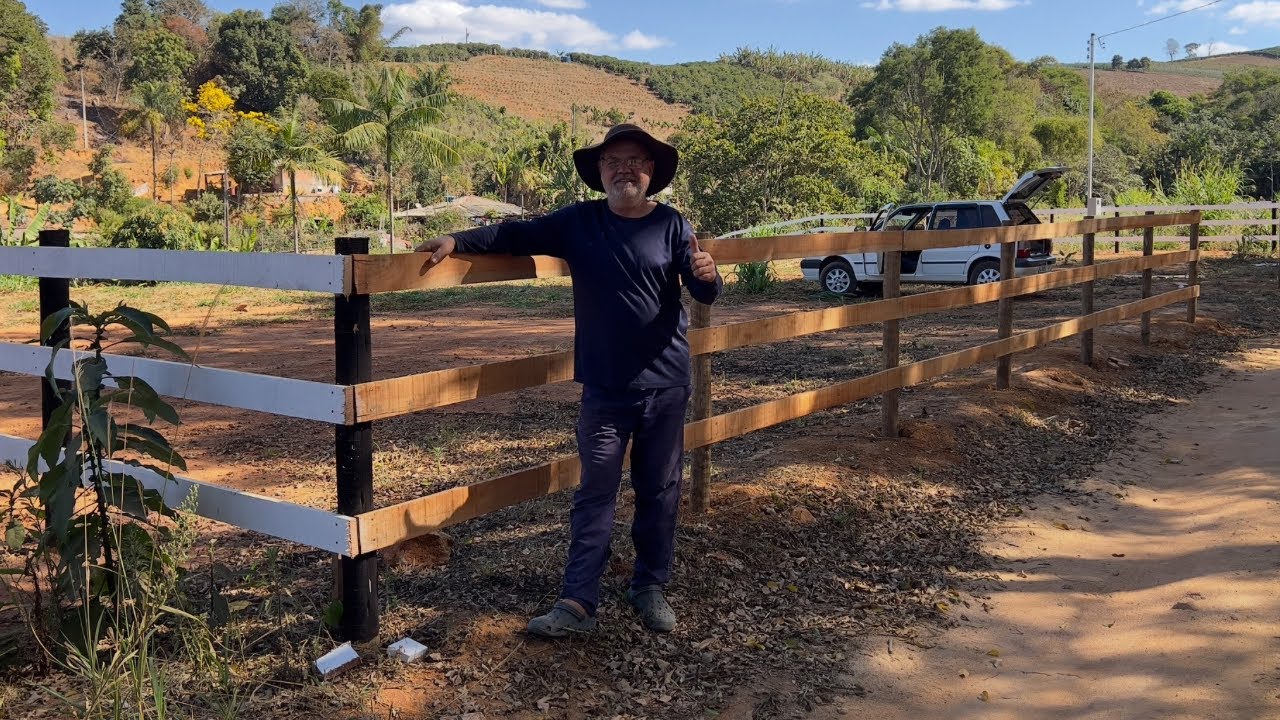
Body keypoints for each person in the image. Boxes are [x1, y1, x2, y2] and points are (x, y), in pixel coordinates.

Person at [414, 124, 722, 637]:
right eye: (613, 161)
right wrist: (457, 239)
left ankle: (649, 585)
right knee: (595, 491)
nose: (624, 169)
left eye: (635, 160)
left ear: (651, 171)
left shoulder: (671, 224)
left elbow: (703, 290)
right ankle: (578, 602)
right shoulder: (580, 222)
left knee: (659, 489)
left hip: (665, 384)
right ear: (600, 172)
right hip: (604, 388)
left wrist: (709, 274)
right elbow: (514, 235)